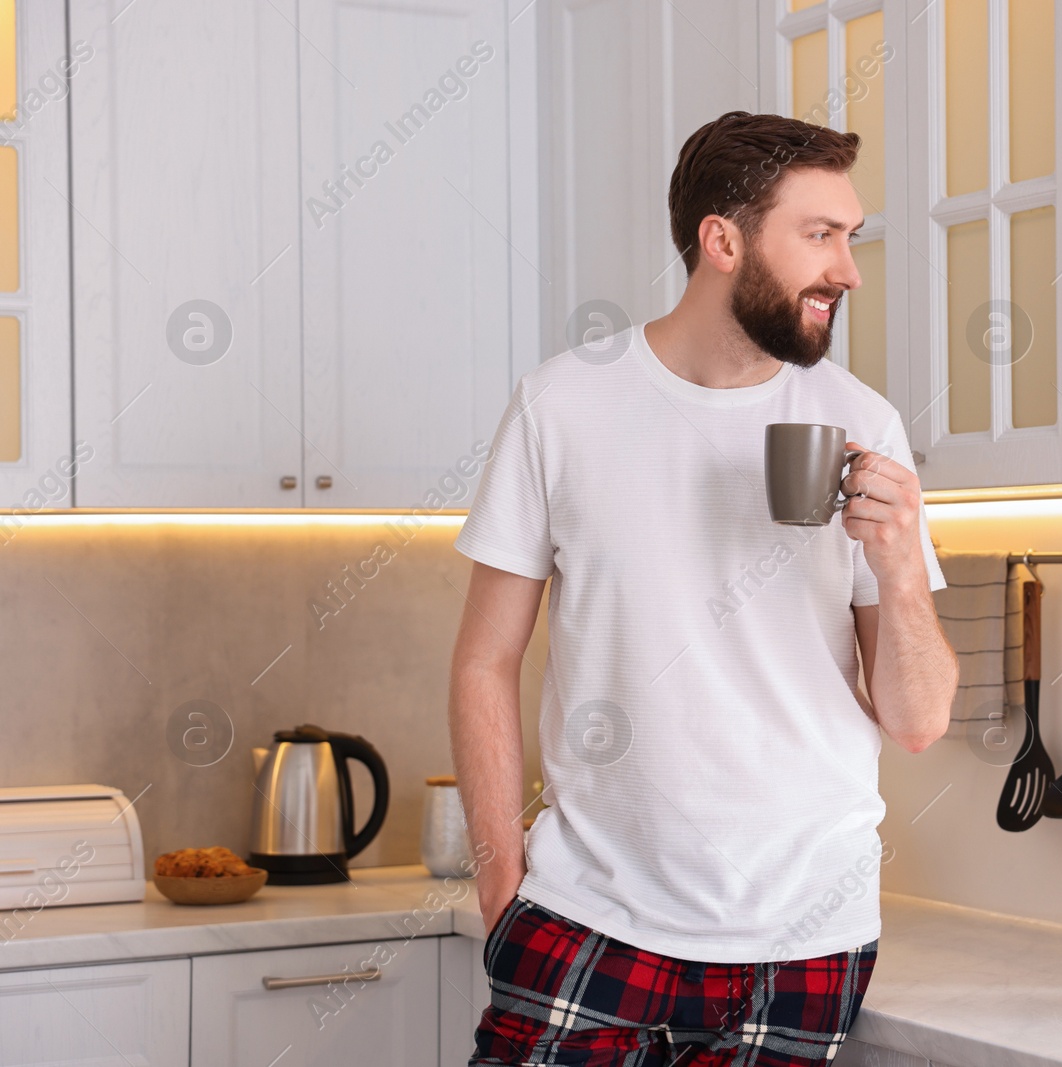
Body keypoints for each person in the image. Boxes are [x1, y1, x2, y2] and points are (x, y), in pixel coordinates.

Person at [449, 110, 958, 1067]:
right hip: (585, 914)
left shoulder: (860, 419)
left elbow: (919, 720)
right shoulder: (564, 405)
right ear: (721, 240)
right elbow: (485, 658)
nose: (847, 269)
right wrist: (499, 880)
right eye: (820, 236)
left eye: (852, 237)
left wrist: (897, 568)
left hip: (802, 939)